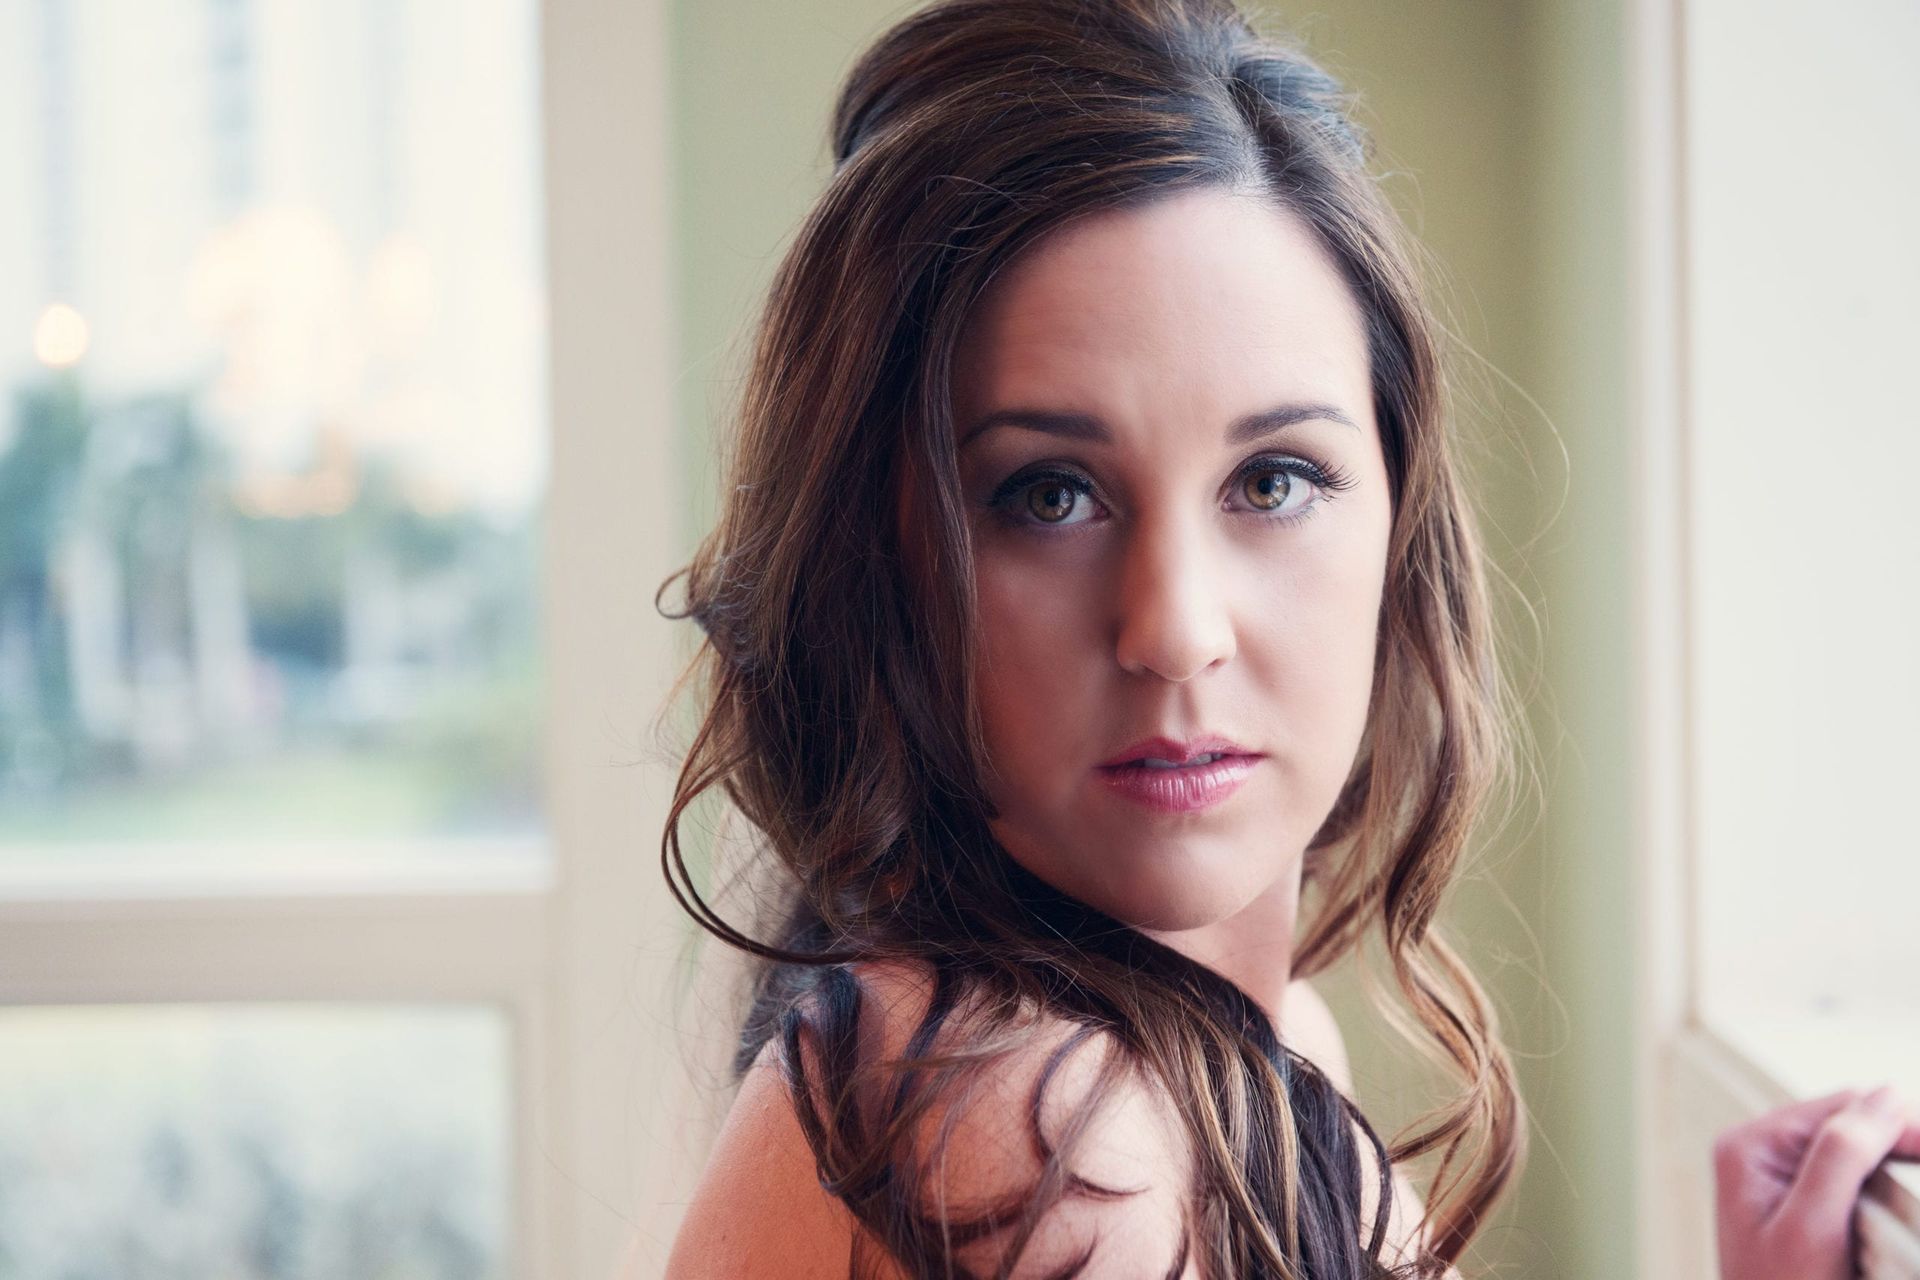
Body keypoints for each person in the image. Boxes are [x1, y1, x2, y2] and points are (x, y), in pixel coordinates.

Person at [653, 1, 1918, 1275]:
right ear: (882, 556)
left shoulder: (1255, 1043)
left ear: (1399, 516)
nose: (1177, 631)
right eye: (1049, 494)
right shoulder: (1032, 1123)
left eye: (1272, 481)